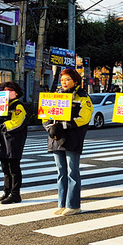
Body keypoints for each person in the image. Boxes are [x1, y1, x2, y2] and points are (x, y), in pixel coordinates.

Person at [44, 69, 93, 216]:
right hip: (55, 138)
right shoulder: (54, 95)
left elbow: (84, 118)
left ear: (75, 81)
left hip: (72, 137)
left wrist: (63, 126)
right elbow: (45, 114)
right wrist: (50, 127)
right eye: (62, 79)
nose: (64, 82)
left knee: (72, 171)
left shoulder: (83, 97)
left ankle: (73, 205)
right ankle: (62, 203)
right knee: (61, 172)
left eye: (67, 79)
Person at [0, 82, 28, 204]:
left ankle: (15, 194)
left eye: (9, 90)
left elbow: (18, 122)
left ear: (16, 93)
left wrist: (2, 125)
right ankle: (7, 192)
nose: (7, 92)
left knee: (13, 168)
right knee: (5, 168)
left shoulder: (18, 106)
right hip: (1, 140)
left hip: (13, 140)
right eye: (4, 90)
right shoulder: (1, 105)